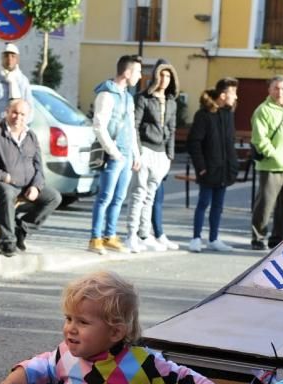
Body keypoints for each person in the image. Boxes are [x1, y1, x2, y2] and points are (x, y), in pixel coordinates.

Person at [0, 271, 242, 384]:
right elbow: (44, 365)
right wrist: (23, 372)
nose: (70, 327)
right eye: (68, 318)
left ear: (115, 332)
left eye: (82, 321)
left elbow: (184, 381)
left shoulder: (142, 363)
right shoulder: (65, 356)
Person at [0, 98, 61, 257]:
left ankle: (21, 229)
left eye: (22, 114)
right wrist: (3, 176)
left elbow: (38, 167)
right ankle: (7, 241)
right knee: (6, 193)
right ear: (7, 111)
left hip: (26, 184)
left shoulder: (31, 136)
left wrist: (36, 186)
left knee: (54, 197)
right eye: (14, 112)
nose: (18, 117)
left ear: (27, 116)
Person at [88, 54, 142, 255]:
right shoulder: (106, 94)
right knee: (105, 197)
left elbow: (131, 126)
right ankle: (95, 238)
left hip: (127, 154)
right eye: (137, 71)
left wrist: (136, 154)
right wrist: (114, 152)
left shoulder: (128, 97)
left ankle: (110, 236)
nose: (139, 76)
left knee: (119, 197)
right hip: (114, 154)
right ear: (127, 73)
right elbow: (99, 126)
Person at [126, 60, 178, 253]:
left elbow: (172, 130)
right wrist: (137, 153)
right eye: (162, 75)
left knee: (150, 195)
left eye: (168, 76)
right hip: (145, 150)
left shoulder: (172, 102)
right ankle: (131, 234)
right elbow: (135, 126)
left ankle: (144, 234)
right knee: (138, 194)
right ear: (155, 77)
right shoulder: (143, 98)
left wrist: (169, 156)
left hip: (161, 153)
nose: (165, 79)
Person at [249, 75, 283, 250]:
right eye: (276, 88)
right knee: (265, 204)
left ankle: (277, 239)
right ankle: (258, 238)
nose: (279, 92)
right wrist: (274, 155)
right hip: (271, 166)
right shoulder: (262, 110)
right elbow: (259, 139)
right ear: (269, 90)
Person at [186, 77, 239, 253]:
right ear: (223, 95)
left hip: (224, 170)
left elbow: (229, 143)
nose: (236, 96)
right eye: (233, 93)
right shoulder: (204, 115)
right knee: (203, 203)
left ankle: (214, 238)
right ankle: (196, 238)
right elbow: (194, 142)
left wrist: (233, 166)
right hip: (208, 169)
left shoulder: (228, 114)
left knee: (218, 206)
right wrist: (201, 166)